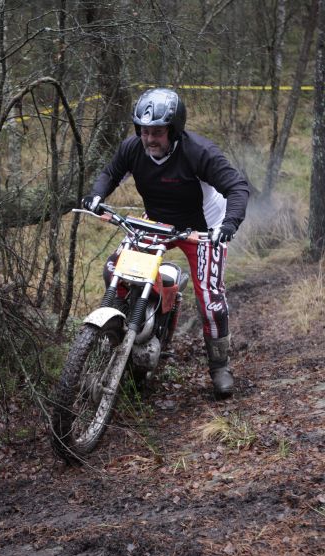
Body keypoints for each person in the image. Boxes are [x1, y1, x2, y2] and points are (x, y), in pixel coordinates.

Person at [82, 88, 249, 397]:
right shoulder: (133, 148)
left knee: (210, 299)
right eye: (144, 131)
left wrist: (229, 225)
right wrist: (96, 195)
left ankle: (219, 367)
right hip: (157, 221)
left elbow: (237, 187)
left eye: (157, 132)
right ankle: (131, 334)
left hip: (203, 229)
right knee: (114, 270)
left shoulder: (199, 152)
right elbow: (111, 173)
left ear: (173, 129)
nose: (150, 139)